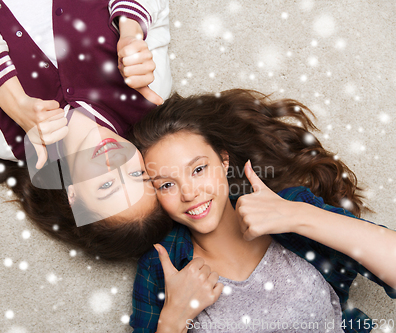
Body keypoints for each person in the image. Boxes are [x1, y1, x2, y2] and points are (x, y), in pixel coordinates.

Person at [128, 89, 396, 332]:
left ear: (223, 161)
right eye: (166, 184)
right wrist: (174, 319)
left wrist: (299, 216)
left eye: (198, 169)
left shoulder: (290, 209)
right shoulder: (162, 266)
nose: (189, 193)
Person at [0, 0, 173, 259]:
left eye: (106, 185)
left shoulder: (8, 142)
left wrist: (14, 100)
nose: (116, 161)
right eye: (138, 173)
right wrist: (131, 30)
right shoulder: (151, 94)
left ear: (73, 195)